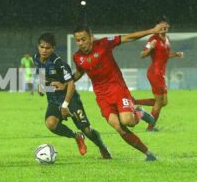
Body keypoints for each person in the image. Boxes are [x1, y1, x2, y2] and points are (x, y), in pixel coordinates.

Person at [56, 23, 168, 161]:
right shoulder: (77, 57)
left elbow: (129, 37)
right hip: (102, 95)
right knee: (118, 127)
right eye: (78, 40)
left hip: (118, 88)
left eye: (83, 39)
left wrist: (152, 30)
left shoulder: (104, 43)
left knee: (128, 121)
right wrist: (66, 84)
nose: (80, 43)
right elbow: (80, 72)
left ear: (91, 37)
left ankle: (138, 112)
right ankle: (149, 154)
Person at [34, 32, 112, 159]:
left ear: (53, 48)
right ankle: (76, 136)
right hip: (54, 100)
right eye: (42, 47)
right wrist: (42, 85)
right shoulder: (36, 58)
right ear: (38, 47)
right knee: (51, 124)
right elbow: (42, 76)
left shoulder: (59, 63)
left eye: (47, 48)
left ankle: (102, 147)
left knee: (87, 130)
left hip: (70, 100)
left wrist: (65, 105)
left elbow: (71, 84)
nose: (44, 50)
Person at [134, 17, 184, 131]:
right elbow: (142, 54)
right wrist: (150, 48)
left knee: (163, 102)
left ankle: (135, 103)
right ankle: (150, 128)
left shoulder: (167, 39)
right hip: (154, 73)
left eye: (165, 25)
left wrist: (176, 54)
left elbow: (165, 55)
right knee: (159, 102)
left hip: (161, 73)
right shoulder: (153, 38)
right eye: (161, 25)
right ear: (157, 27)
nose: (164, 27)